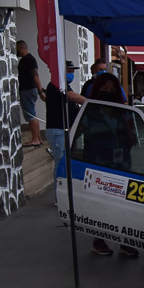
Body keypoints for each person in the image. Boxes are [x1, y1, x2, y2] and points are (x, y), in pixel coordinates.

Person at [83, 72, 140, 258]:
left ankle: (125, 242)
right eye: (104, 88)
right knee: (100, 204)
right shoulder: (89, 111)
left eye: (112, 89)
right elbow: (81, 136)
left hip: (121, 165)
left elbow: (133, 137)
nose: (108, 92)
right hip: (98, 165)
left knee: (123, 204)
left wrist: (130, 136)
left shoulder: (123, 112)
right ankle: (98, 241)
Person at [42, 61, 86, 194]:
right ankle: (59, 195)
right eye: (68, 71)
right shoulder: (56, 85)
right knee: (61, 162)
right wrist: (89, 102)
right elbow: (72, 97)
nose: (71, 74)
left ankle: (64, 193)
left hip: (64, 130)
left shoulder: (65, 86)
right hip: (57, 130)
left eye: (72, 72)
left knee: (65, 162)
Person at [16, 40, 44, 147]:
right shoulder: (24, 60)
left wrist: (40, 91)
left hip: (27, 90)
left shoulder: (29, 60)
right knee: (33, 114)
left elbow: (35, 76)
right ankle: (38, 138)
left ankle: (35, 139)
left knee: (30, 115)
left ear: (21, 48)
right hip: (27, 90)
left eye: (17, 49)